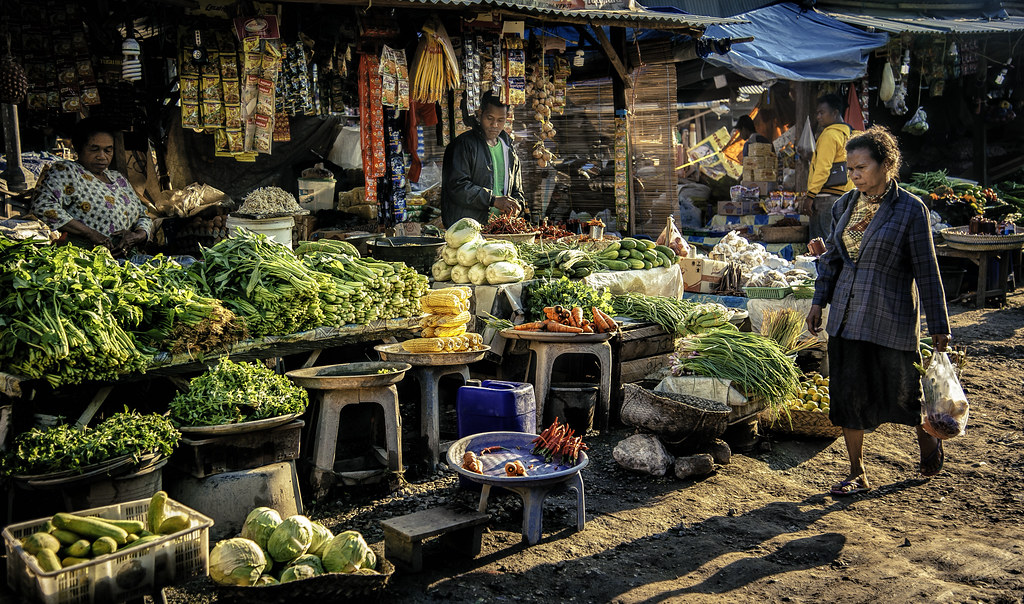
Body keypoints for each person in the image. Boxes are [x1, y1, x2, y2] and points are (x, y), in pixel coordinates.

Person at [805, 126, 951, 497]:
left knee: (904, 393)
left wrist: (938, 324)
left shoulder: (910, 210)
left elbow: (927, 269)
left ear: (887, 164)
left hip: (891, 316)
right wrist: (818, 301)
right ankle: (857, 471)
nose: (854, 175)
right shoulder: (843, 206)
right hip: (847, 315)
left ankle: (927, 442)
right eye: (849, 168)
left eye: (861, 167)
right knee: (847, 394)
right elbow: (832, 261)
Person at [32, 117, 152, 255]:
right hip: (82, 259)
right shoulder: (66, 170)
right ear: (79, 148)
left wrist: (137, 235)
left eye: (108, 150)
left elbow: (144, 216)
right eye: (94, 149)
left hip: (126, 259)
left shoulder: (118, 179)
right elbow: (43, 206)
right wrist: (90, 233)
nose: (102, 156)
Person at [441, 92, 525, 227]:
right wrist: (492, 200)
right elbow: (457, 186)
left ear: (507, 118)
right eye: (490, 118)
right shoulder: (462, 145)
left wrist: (517, 206)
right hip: (467, 230)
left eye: (500, 120)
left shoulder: (509, 148)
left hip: (499, 228)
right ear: (480, 114)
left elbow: (517, 190)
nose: (495, 125)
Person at [800, 94, 855, 241]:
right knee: (836, 242)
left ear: (835, 113)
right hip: (844, 195)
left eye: (821, 112)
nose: (818, 117)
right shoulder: (850, 134)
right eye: (817, 113)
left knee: (821, 245)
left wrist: (810, 196)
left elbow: (823, 169)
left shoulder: (829, 135)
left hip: (825, 199)